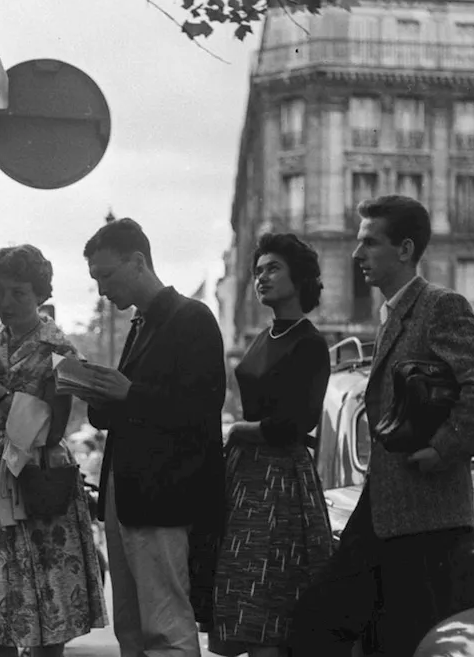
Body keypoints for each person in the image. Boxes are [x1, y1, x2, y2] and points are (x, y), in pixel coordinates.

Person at [289, 195, 474, 657]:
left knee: (407, 639)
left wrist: (444, 447)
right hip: (387, 506)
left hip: (427, 513)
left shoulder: (438, 306)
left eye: (370, 243)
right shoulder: (392, 313)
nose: (357, 255)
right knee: (325, 621)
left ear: (406, 250)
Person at [0, 244, 107, 656]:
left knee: (46, 592)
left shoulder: (62, 350)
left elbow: (53, 429)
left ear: (39, 297)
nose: (6, 302)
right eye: (0, 290)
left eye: (19, 293)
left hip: (37, 475)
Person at [81, 218, 226, 657]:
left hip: (161, 495)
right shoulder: (143, 323)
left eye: (106, 275)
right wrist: (98, 392)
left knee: (164, 625)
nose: (103, 289)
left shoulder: (191, 318)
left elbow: (202, 407)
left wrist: (128, 393)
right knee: (132, 624)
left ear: (138, 261)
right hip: (131, 493)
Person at [209, 233, 333, 657]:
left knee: (269, 601)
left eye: (273, 268)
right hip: (246, 478)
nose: (262, 277)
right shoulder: (263, 338)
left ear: (298, 277)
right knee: (245, 594)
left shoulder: (310, 343)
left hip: (279, 481)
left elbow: (297, 423)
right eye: (258, 270)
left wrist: (240, 431)